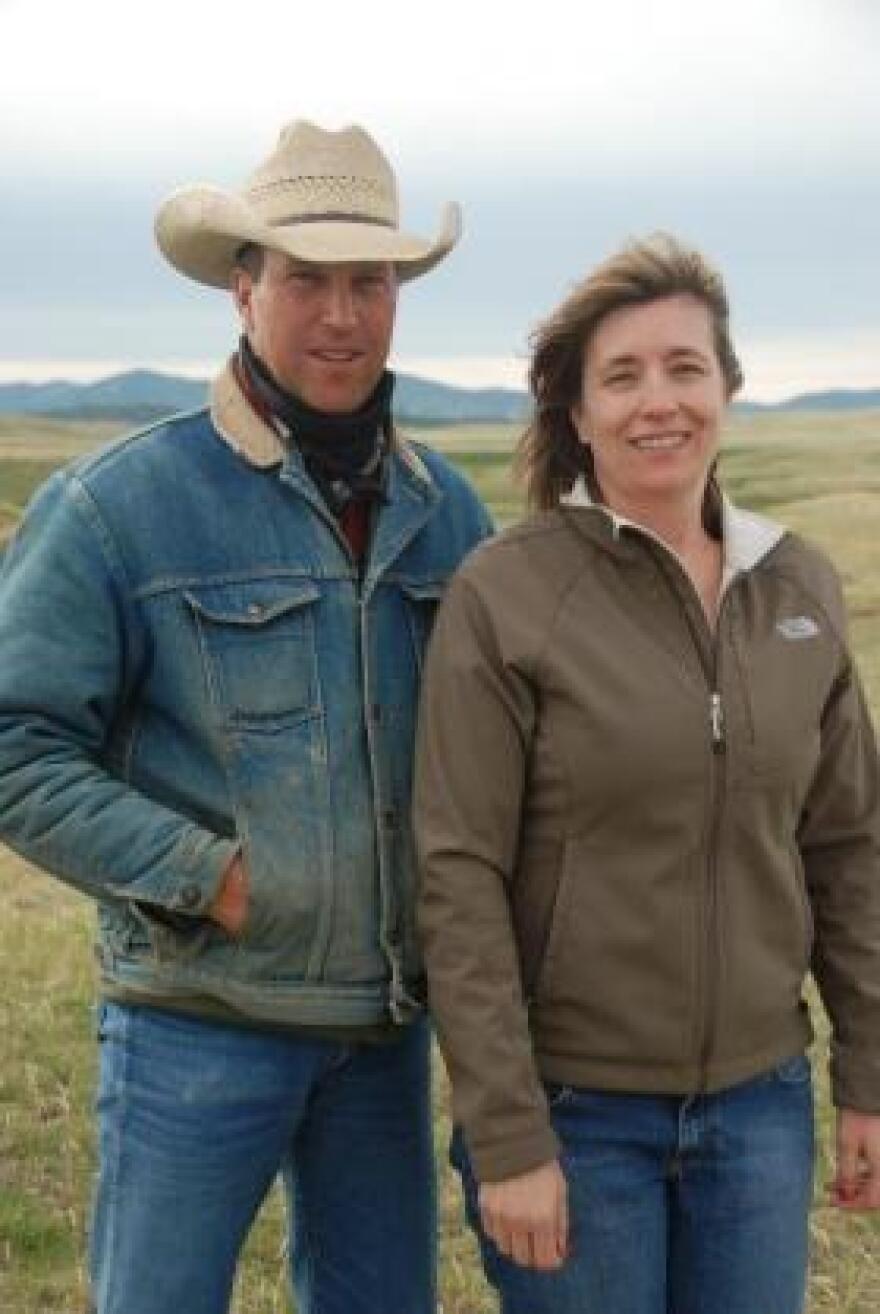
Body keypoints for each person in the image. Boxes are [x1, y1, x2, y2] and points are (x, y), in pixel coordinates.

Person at [0, 119, 491, 1314]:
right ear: (242, 289)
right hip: (194, 1027)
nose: (340, 315)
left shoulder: (449, 512)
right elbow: (13, 743)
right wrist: (205, 875)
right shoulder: (122, 507)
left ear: (396, 296)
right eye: (305, 279)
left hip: (384, 1037)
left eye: (366, 281)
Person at [415, 233, 880, 1314]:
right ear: (576, 415)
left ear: (727, 387)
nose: (656, 400)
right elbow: (456, 873)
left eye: (684, 367)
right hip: (577, 1119)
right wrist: (508, 1132)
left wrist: (865, 1074)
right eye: (619, 377)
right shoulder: (507, 596)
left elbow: (847, 849)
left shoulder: (796, 585)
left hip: (758, 1111)